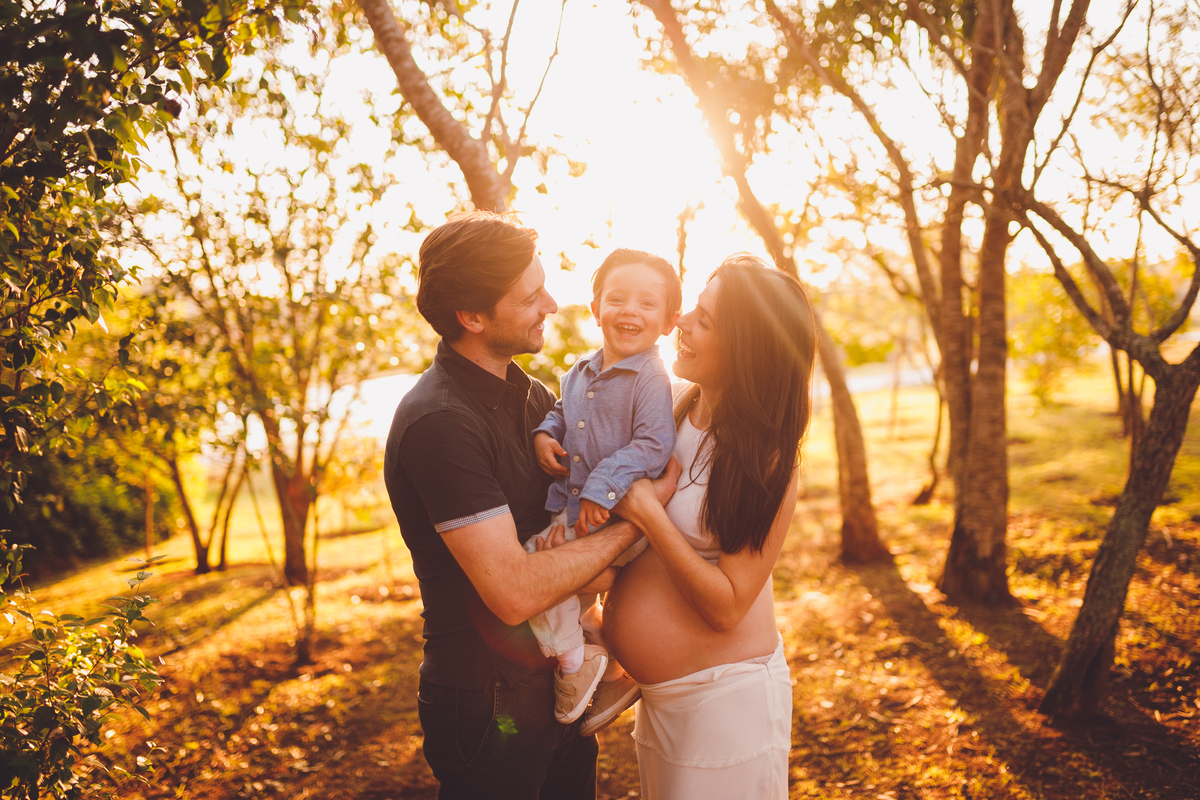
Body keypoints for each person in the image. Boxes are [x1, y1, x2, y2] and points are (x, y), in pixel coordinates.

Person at [382, 211, 678, 800]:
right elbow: (512, 592)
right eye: (530, 295)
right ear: (472, 316)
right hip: (490, 705)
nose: (552, 304)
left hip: (558, 687)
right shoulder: (442, 421)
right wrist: (642, 516)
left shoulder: (532, 393)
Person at [602, 254, 817, 799]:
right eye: (690, 310)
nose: (680, 324)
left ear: (745, 347)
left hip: (726, 706)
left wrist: (650, 512)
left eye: (704, 319)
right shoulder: (674, 408)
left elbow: (727, 605)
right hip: (663, 703)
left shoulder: (766, 458)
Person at [525, 248, 681, 729]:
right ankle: (597, 645)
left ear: (669, 322)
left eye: (647, 303)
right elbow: (560, 412)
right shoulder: (577, 372)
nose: (630, 310)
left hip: (612, 519)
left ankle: (578, 662)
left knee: (532, 573)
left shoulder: (652, 379)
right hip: (572, 513)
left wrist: (601, 486)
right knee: (536, 570)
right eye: (617, 298)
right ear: (595, 310)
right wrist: (544, 435)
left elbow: (655, 445)